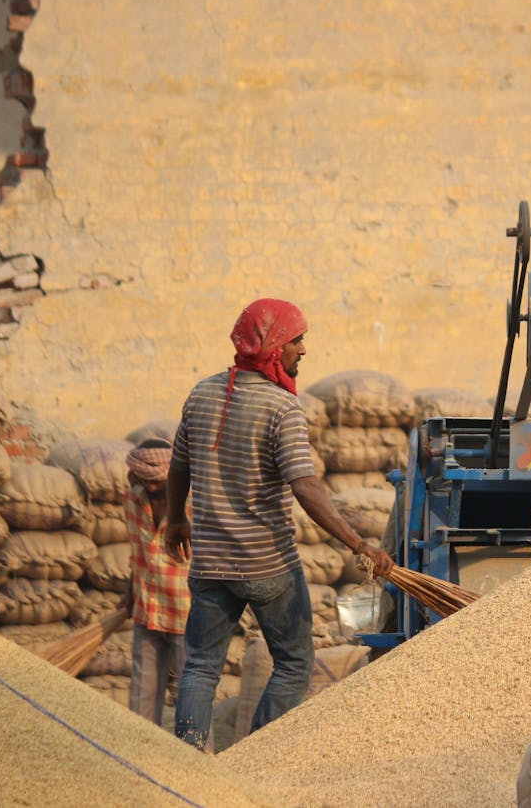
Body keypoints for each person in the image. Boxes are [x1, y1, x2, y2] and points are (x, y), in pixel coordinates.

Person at [164, 298, 394, 750]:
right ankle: (255, 757)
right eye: (296, 340)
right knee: (292, 664)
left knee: (200, 668)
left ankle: (186, 761)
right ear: (273, 347)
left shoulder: (202, 394)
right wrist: (357, 543)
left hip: (211, 565)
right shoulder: (281, 407)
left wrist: (175, 521)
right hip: (267, 565)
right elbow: (305, 487)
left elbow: (178, 467)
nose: (303, 350)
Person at [119, 438, 190, 726]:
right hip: (147, 609)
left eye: (156, 481)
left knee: (191, 693)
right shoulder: (132, 500)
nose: (150, 488)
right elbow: (136, 552)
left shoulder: (192, 503)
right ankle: (141, 751)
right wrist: (129, 592)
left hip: (187, 613)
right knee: (142, 694)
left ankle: (200, 756)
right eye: (144, 480)